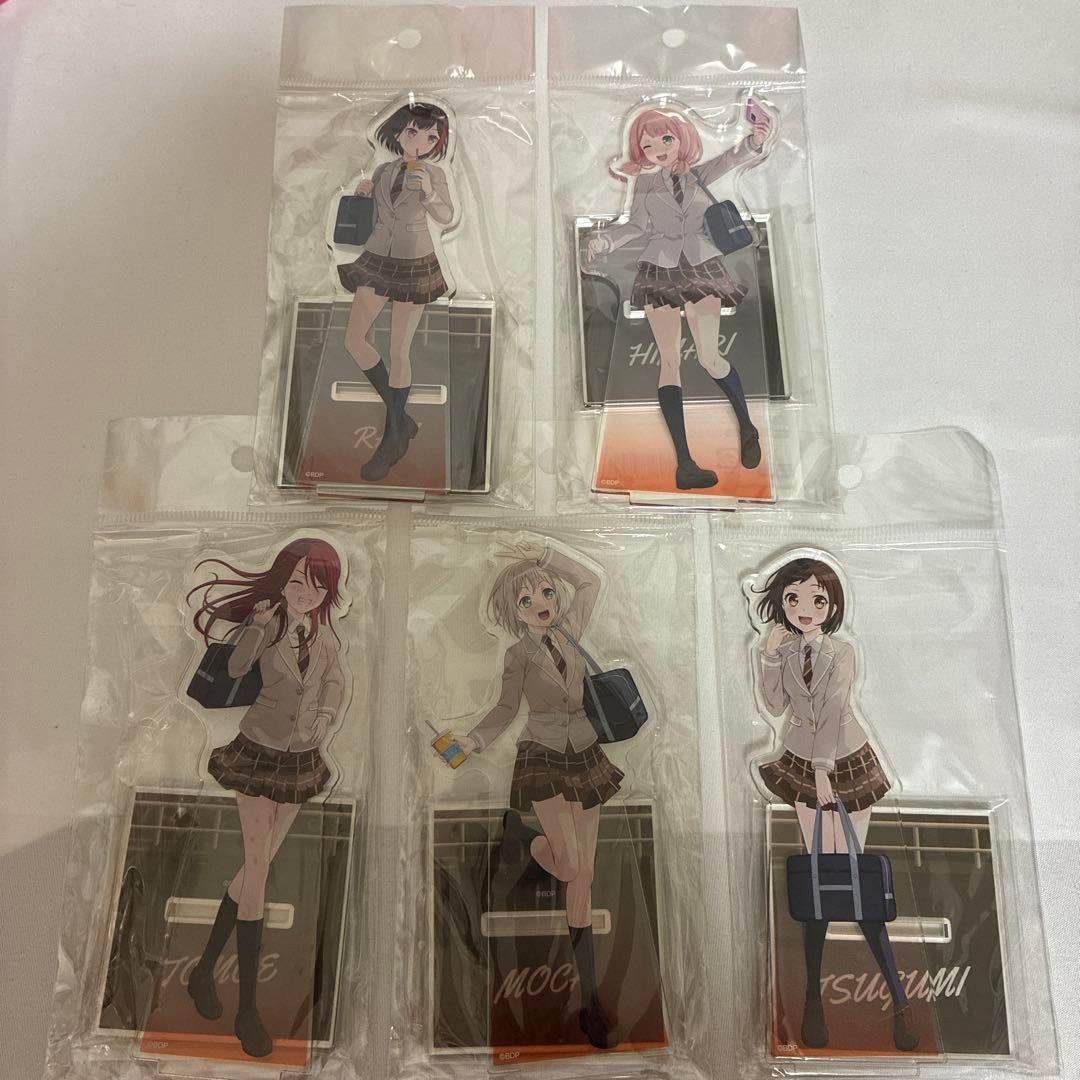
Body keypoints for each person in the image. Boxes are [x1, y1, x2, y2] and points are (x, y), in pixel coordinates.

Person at [444, 542, 624, 1049]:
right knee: (569, 865)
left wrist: (546, 555)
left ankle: (590, 1000)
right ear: (514, 613)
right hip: (542, 755)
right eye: (526, 600)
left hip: (586, 752)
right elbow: (506, 708)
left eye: (545, 592)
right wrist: (473, 741)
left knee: (584, 878)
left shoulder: (571, 629)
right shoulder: (517, 655)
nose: (540, 603)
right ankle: (531, 843)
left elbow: (590, 581)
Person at [184, 538, 346, 1057]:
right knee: (257, 871)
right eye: (297, 581)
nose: (305, 592)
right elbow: (236, 669)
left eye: (316, 585)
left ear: (328, 591)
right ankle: (247, 1010)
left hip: (301, 758)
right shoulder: (270, 623)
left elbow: (335, 681)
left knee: (257, 867)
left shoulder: (324, 636)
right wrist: (254, 625)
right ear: (283, 581)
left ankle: (203, 972)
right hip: (258, 752)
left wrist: (326, 715)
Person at [753, 555, 918, 1053]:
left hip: (844, 758)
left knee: (849, 874)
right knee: (821, 879)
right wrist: (769, 657)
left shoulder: (842, 652)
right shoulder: (784, 648)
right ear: (781, 603)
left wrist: (824, 769)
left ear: (832, 605)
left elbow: (833, 707)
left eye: (817, 599)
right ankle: (813, 1001)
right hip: (801, 758)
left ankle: (899, 1000)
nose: (804, 608)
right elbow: (775, 705)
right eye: (793, 599)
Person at [588, 104, 771, 489]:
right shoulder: (645, 184)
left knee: (708, 357)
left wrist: (756, 139)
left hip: (702, 265)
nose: (657, 150)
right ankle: (685, 464)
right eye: (648, 145)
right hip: (661, 268)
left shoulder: (698, 174)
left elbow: (731, 158)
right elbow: (636, 225)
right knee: (669, 361)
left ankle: (747, 426)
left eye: (665, 139)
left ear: (681, 139)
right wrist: (606, 240)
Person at [338, 102, 455, 482]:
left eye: (431, 137)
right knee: (354, 340)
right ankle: (401, 417)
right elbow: (376, 214)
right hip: (376, 257)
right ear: (399, 132)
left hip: (414, 260)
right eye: (413, 132)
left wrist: (429, 194)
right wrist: (364, 194)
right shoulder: (383, 170)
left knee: (398, 350)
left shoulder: (435, 173)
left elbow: (447, 216)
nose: (420, 142)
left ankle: (392, 438)